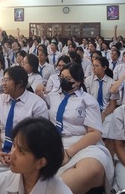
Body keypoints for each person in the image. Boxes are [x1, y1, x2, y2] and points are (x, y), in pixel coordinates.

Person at [45, 63, 114, 194]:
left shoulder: (88, 100)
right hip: (56, 142)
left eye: (68, 79)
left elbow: (94, 133)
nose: (64, 81)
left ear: (78, 82)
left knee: (93, 169)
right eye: (62, 77)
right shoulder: (53, 96)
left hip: (84, 143)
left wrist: (69, 153)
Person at [0, 66, 48, 191]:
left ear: (20, 83)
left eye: (7, 80)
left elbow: (39, 139)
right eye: (3, 79)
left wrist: (16, 151)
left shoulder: (37, 104)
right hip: (0, 149)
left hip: (24, 151)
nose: (3, 83)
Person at [0, 117, 72, 194]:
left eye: (21, 151)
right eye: (14, 145)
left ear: (41, 162)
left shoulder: (60, 191)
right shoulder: (0, 183)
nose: (11, 154)